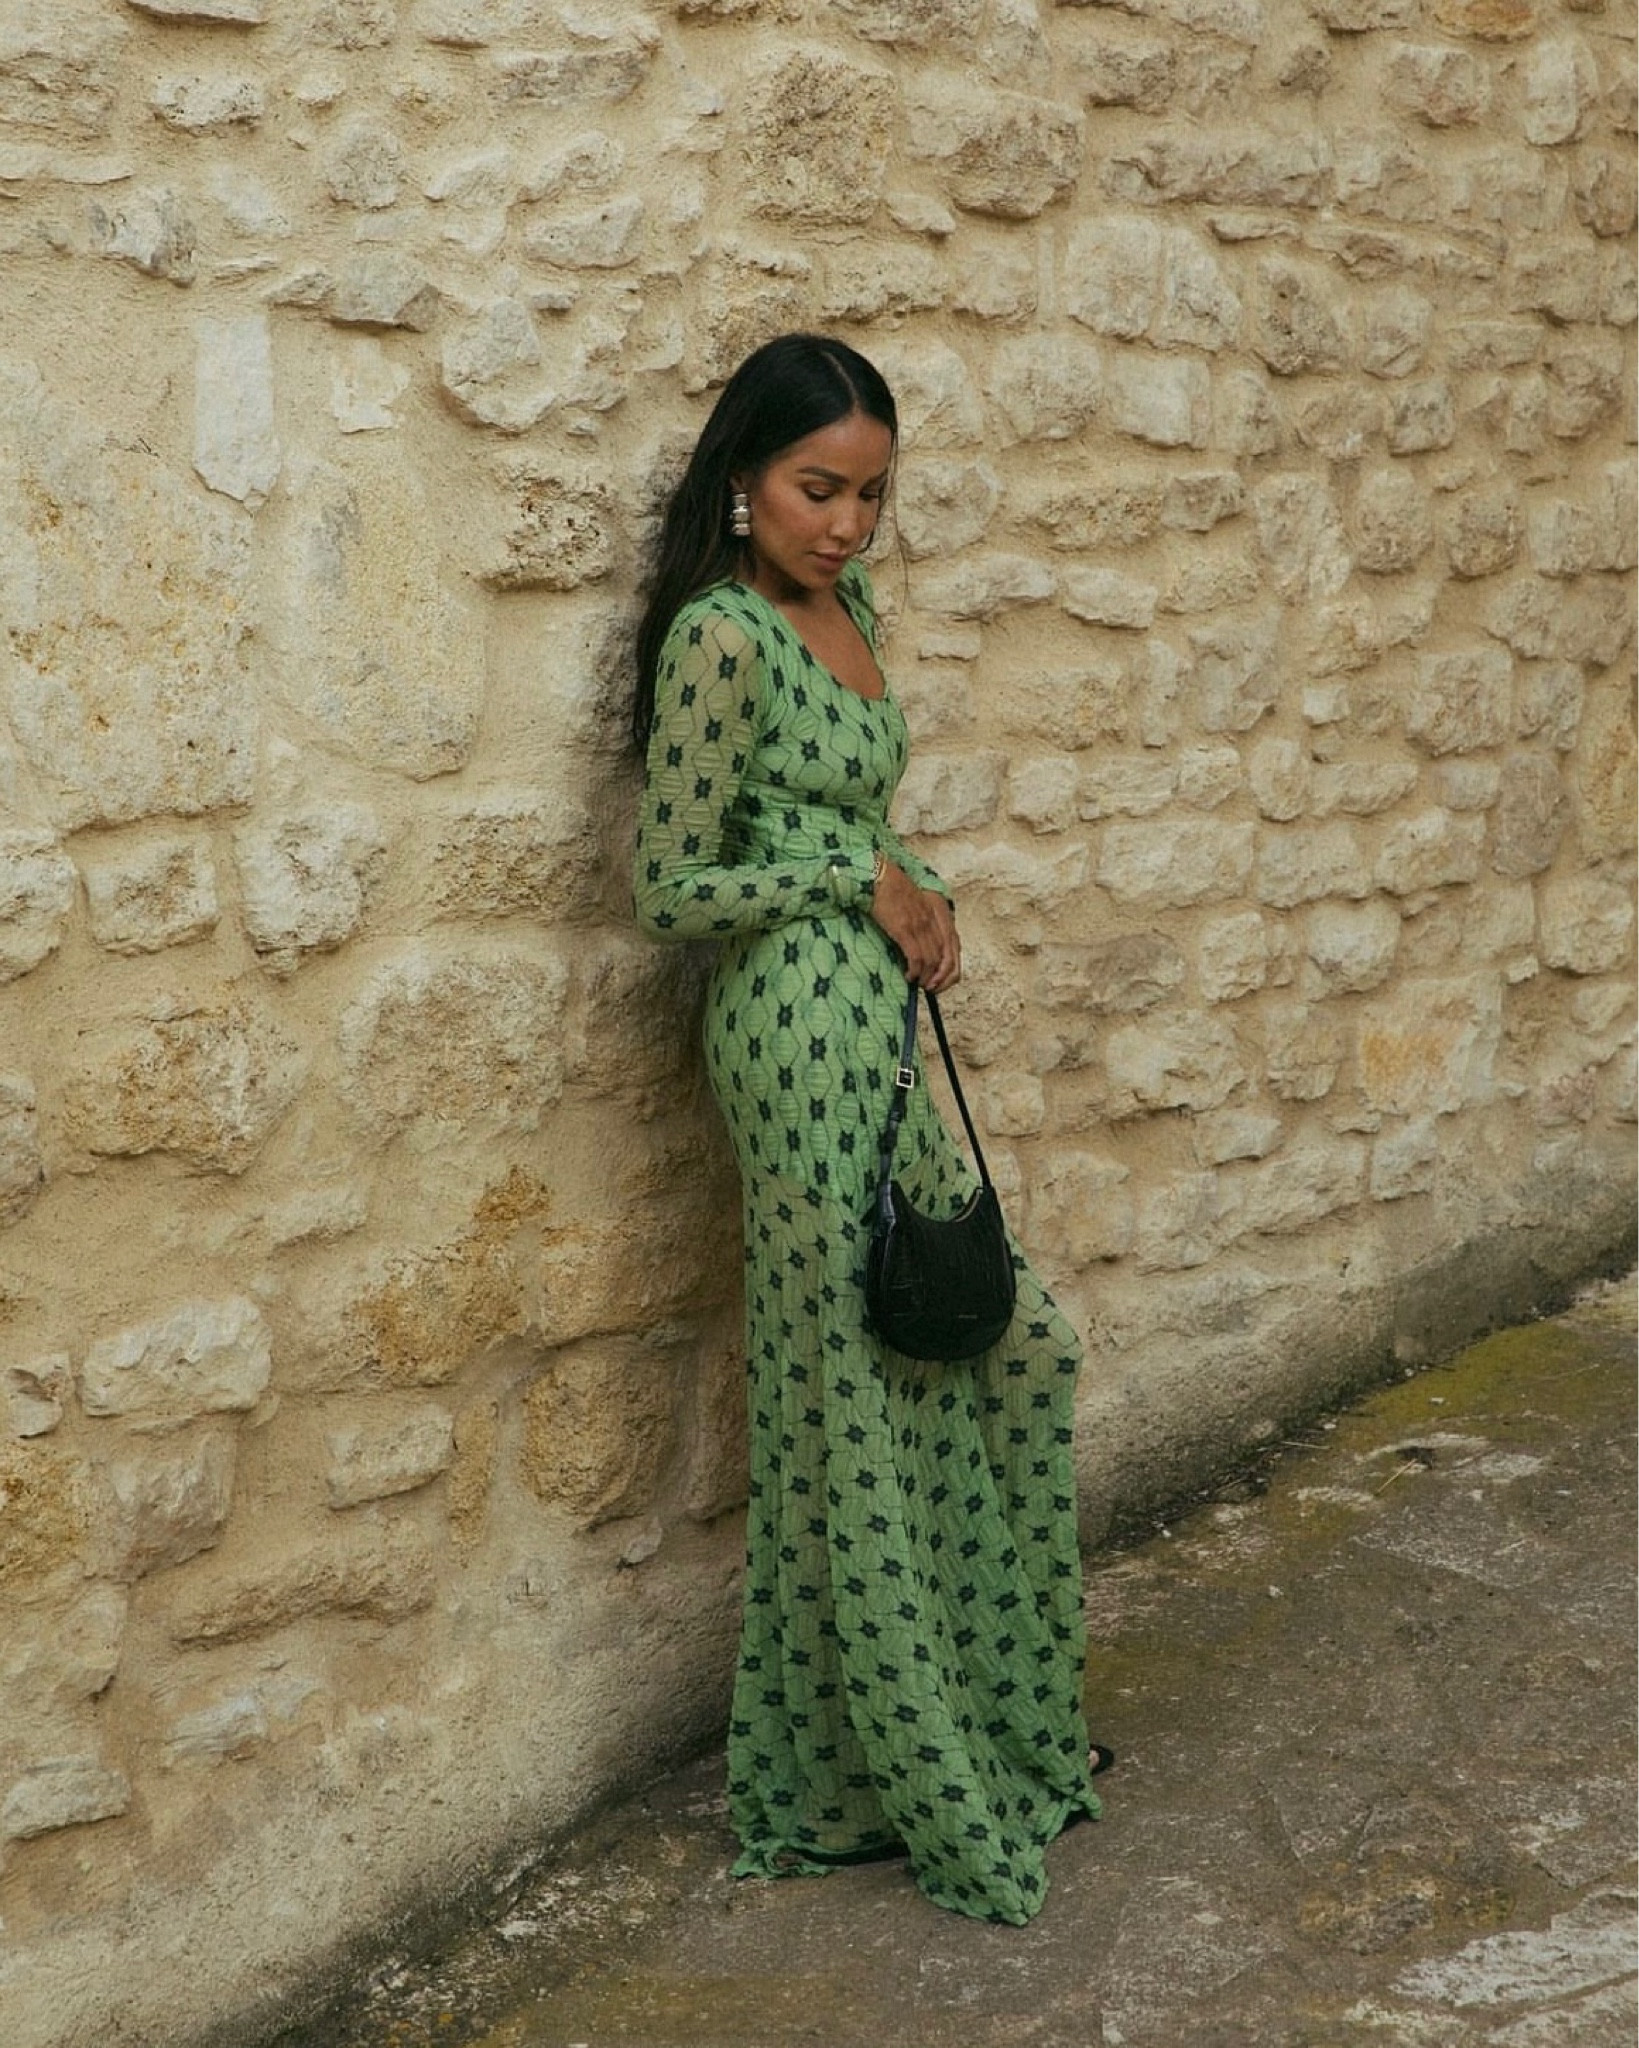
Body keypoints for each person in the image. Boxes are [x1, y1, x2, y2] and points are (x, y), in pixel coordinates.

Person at [631, 333, 1104, 1926]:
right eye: (816, 489)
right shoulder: (718, 636)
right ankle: (886, 1776)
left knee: (1008, 1346)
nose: (844, 523)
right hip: (785, 1039)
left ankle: (986, 1721)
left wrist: (922, 894)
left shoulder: (852, 613)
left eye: (870, 494)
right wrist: (855, 883)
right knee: (847, 1389)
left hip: (879, 1035)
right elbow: (672, 884)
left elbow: (860, 819)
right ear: (744, 482)